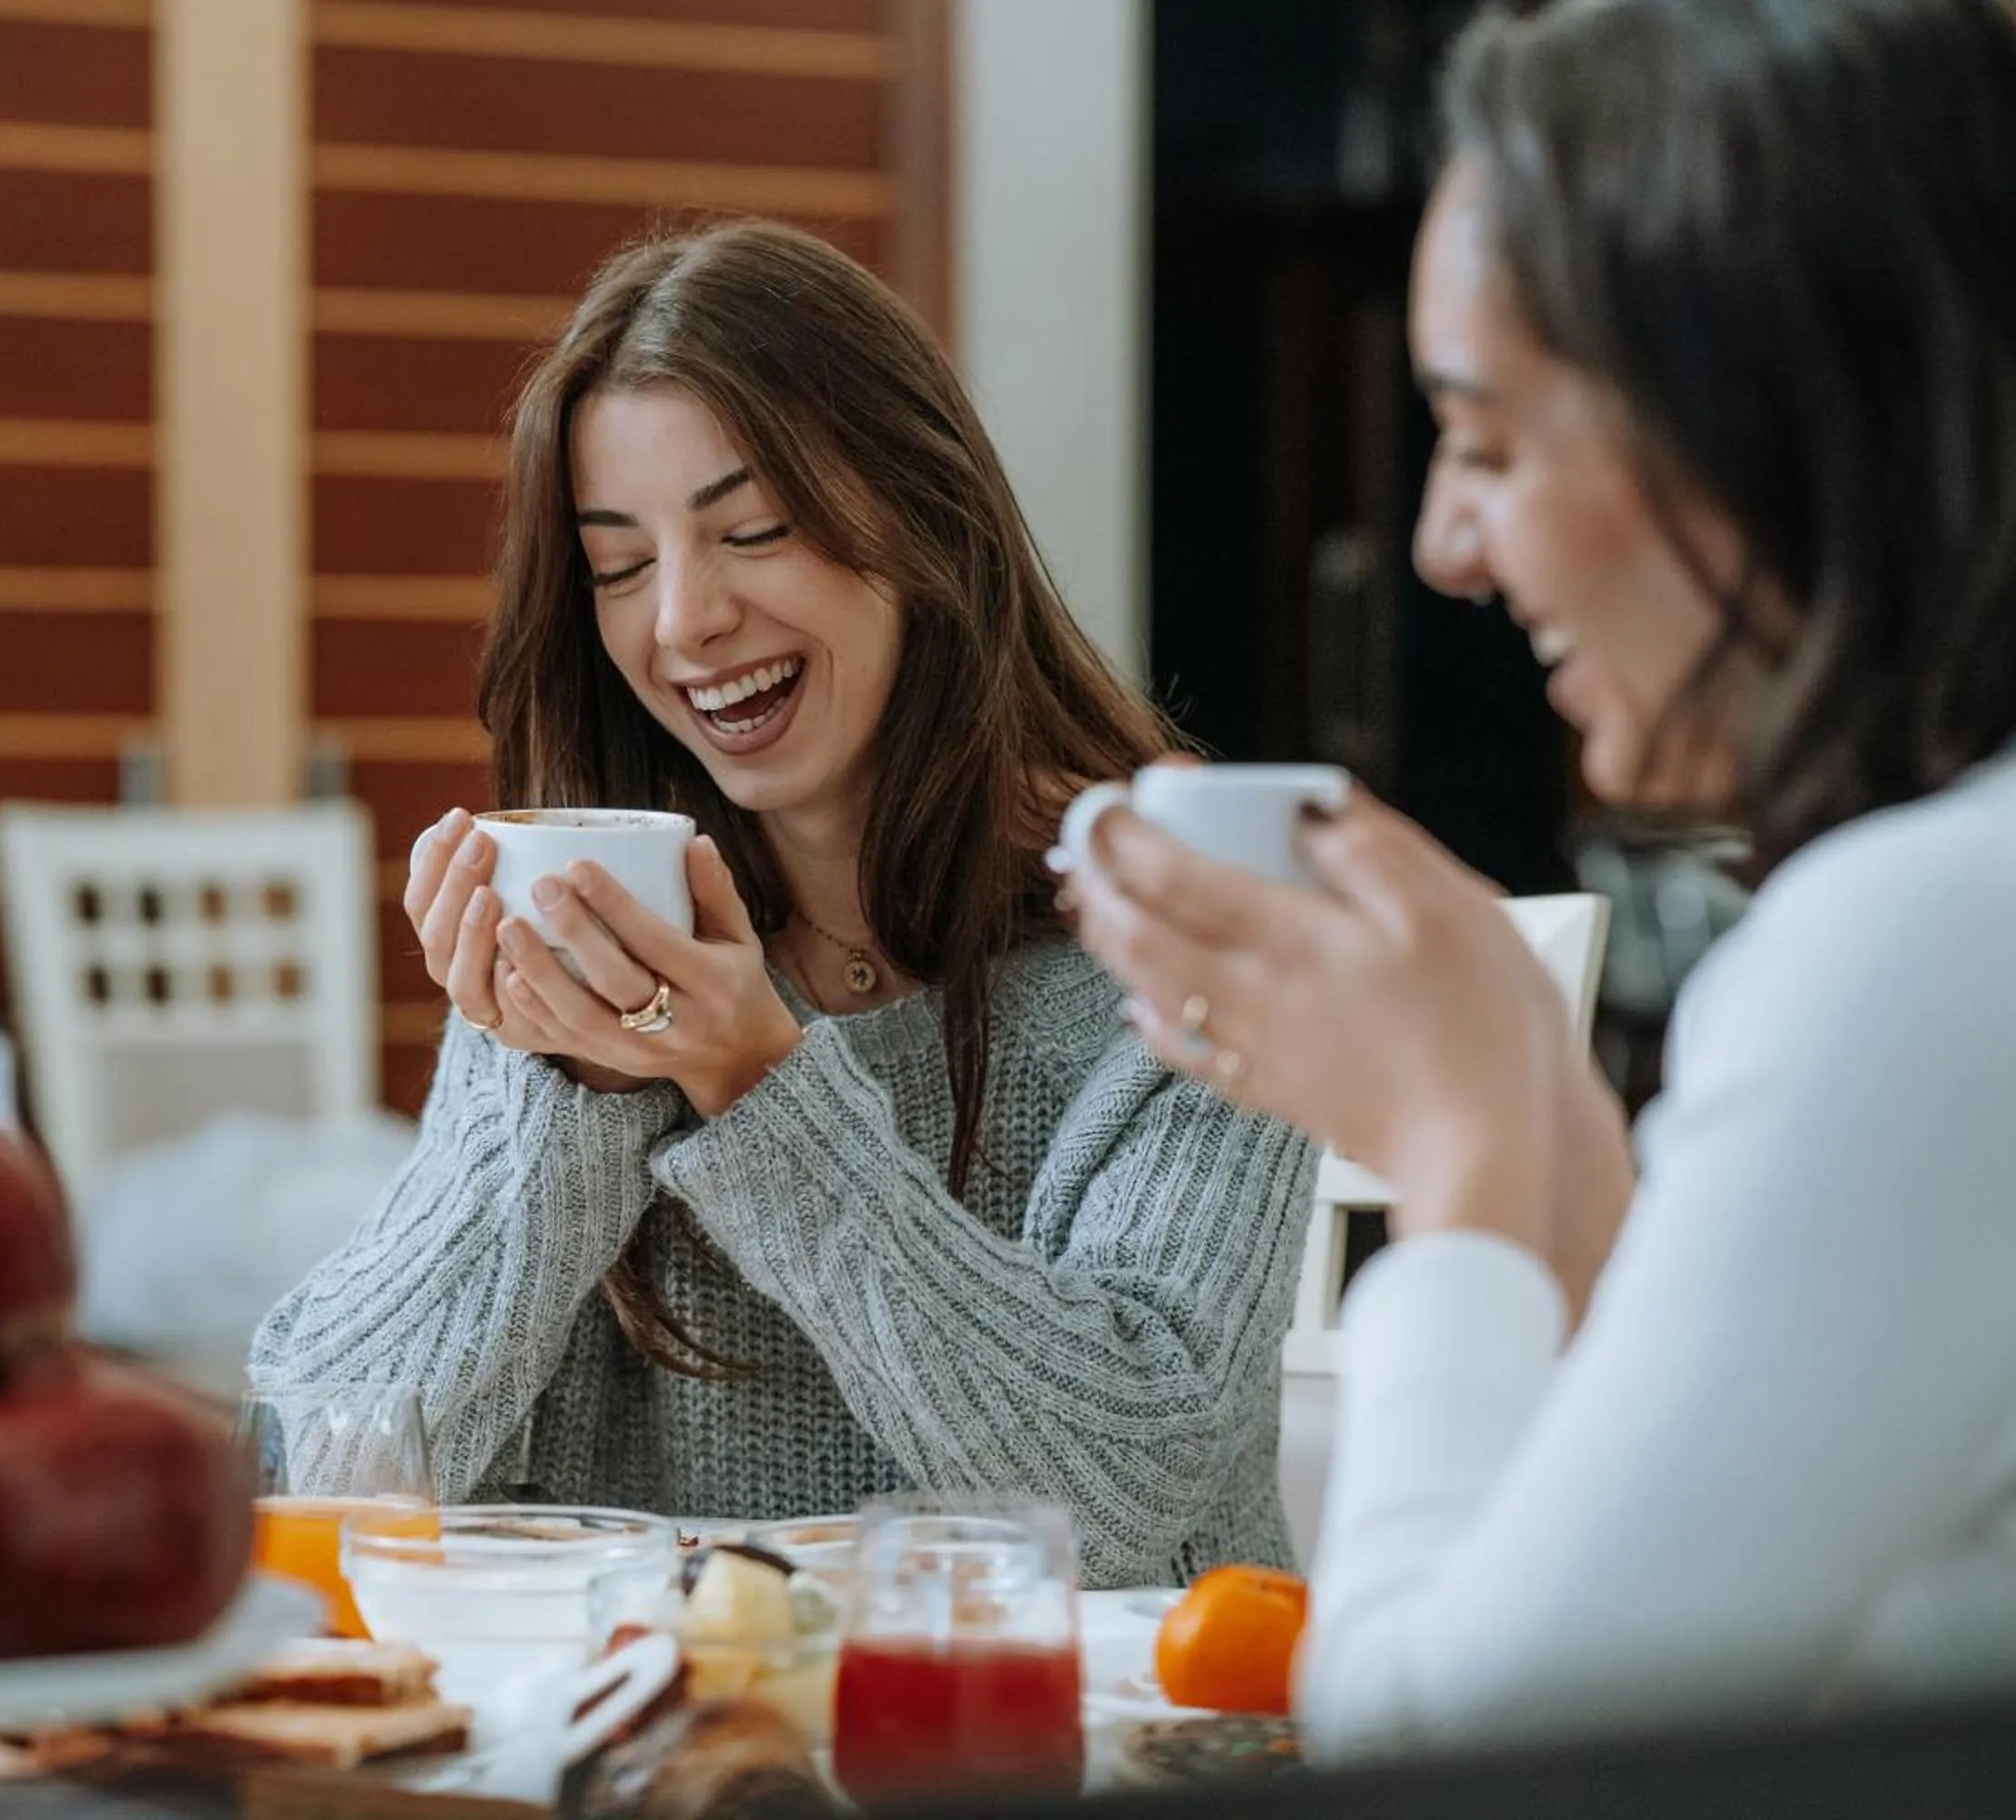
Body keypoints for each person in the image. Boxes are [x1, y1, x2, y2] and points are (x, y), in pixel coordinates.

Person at [1067, 0, 2016, 1754]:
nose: (1442, 546)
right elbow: (1702, 1522)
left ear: (1761, 430)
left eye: (1489, 443)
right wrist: (1524, 1086)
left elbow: (1471, 1763)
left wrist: (1457, 1145)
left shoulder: (1969, 935)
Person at [253, 221, 1315, 1588]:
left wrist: (757, 1085)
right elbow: (319, 1474)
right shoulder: (592, 952)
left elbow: (1114, 1506)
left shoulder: (1198, 932)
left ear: (924, 516)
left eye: (751, 531)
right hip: (666, 1717)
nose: (684, 621)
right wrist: (569, 1089)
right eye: (621, 567)